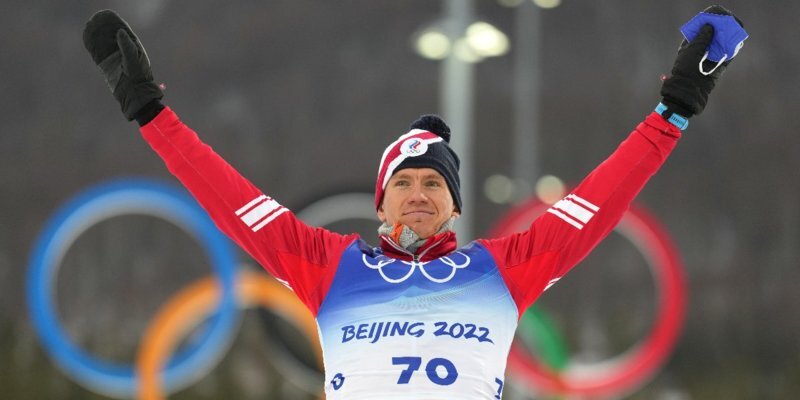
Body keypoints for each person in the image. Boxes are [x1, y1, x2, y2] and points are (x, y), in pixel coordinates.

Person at [83, 6, 742, 399]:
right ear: (381, 205)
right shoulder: (331, 266)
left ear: (455, 207)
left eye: (434, 184)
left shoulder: (500, 270)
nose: (419, 194)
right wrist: (152, 115)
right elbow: (232, 200)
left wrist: (673, 111)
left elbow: (596, 203)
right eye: (403, 183)